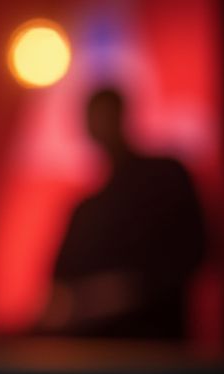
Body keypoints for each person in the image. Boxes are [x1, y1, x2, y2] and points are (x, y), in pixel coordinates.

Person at [42, 88, 206, 339]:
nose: (100, 124)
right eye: (95, 117)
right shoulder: (87, 210)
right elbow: (60, 286)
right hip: (92, 352)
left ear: (121, 115)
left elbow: (195, 251)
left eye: (104, 115)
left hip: (155, 343)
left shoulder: (166, 178)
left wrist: (122, 292)